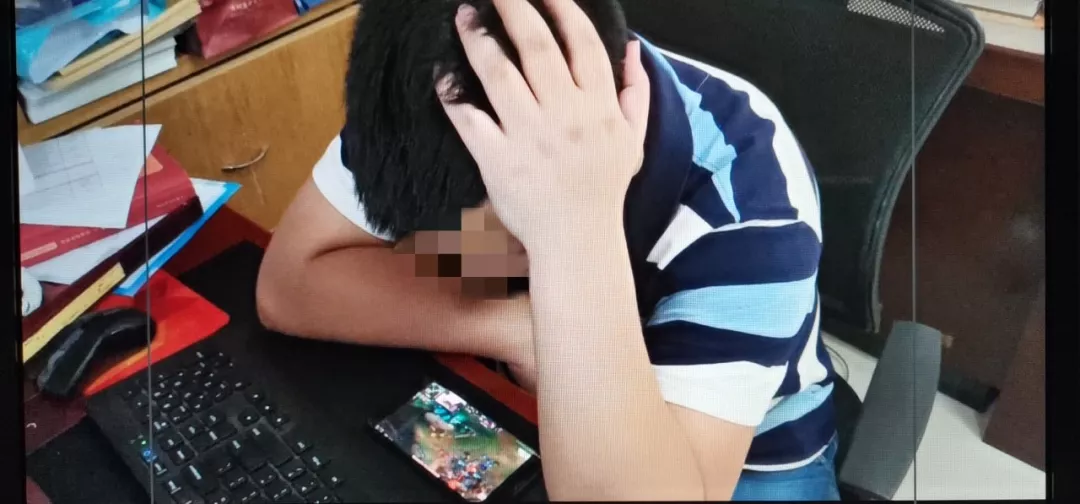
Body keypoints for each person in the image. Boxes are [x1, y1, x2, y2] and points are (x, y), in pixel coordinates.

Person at [256, 0, 838, 500]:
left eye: (508, 229)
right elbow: (289, 285)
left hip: (747, 454)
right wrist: (522, 326)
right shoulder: (428, 102)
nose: (458, 249)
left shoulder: (750, 196)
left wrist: (571, 237)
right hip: (520, 391)